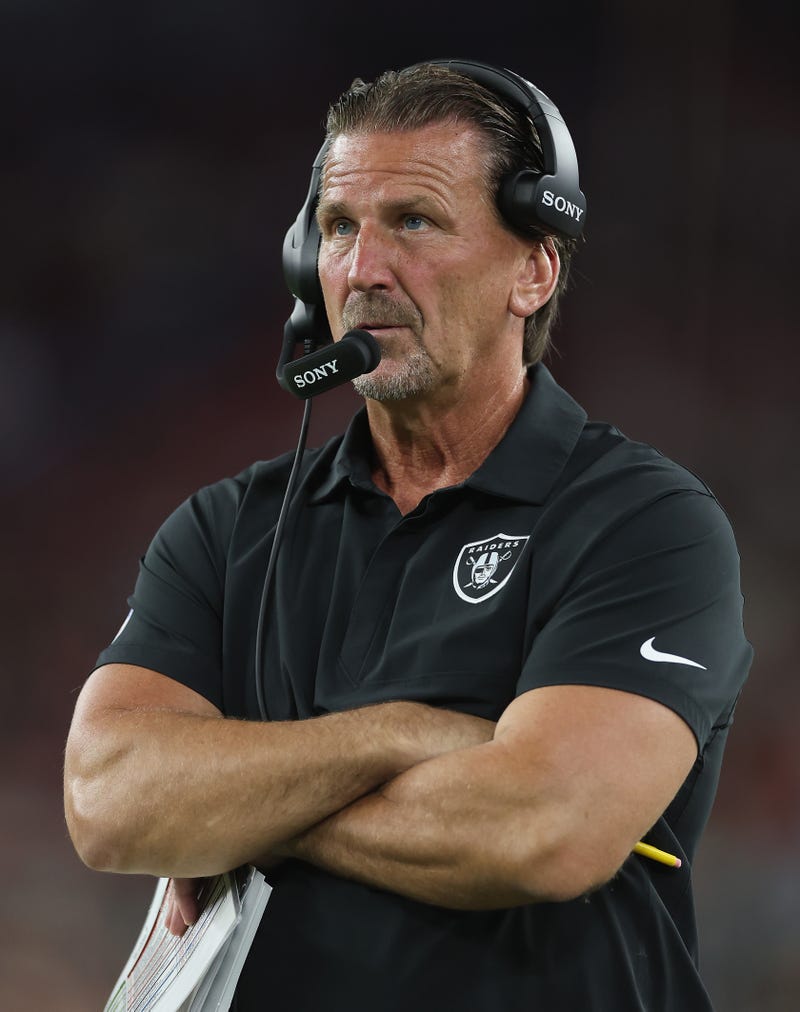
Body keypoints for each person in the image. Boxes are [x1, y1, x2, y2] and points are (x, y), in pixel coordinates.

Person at [64, 61, 752, 1011]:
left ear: (533, 269)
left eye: (414, 222)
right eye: (340, 228)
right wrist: (404, 736)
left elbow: (541, 830)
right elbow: (108, 801)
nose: (363, 269)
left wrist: (240, 813)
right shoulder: (227, 528)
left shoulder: (645, 522)